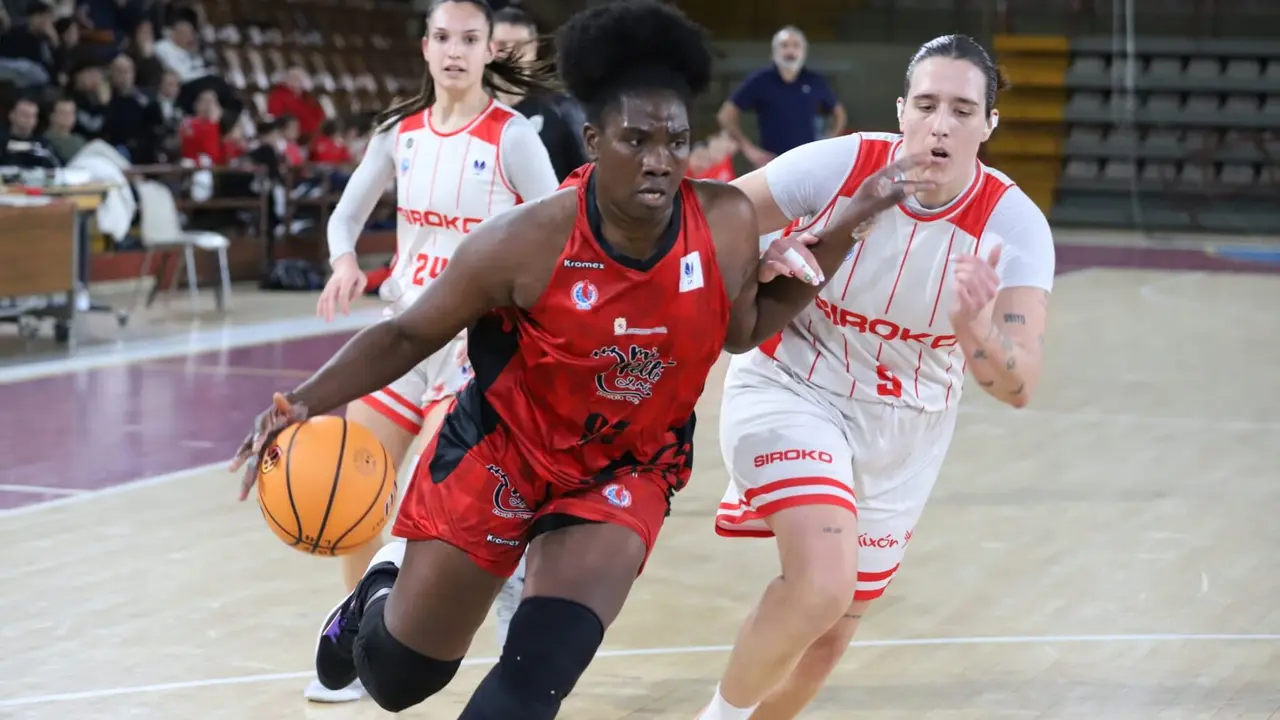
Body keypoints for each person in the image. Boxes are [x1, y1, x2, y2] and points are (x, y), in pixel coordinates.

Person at [229, 1, 931, 716]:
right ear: (594, 140)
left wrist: (850, 221)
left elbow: (744, 327)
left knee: (533, 685)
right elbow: (407, 335)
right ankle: (373, 595)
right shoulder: (527, 239)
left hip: (627, 470)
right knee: (400, 679)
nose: (660, 160)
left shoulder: (724, 221)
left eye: (676, 141)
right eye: (637, 139)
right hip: (504, 450)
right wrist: (302, 401)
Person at [699, 34, 1057, 720]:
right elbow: (708, 220)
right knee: (821, 584)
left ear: (989, 124)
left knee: (829, 637)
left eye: (962, 110)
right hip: (792, 384)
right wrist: (757, 260)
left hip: (907, 429)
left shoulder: (1014, 227)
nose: (941, 124)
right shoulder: (838, 165)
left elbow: (1020, 385)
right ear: (901, 110)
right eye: (926, 104)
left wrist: (976, 331)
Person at [299, 0, 562, 704]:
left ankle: (412, 617)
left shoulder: (512, 138)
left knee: (422, 502)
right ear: (425, 47)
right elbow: (346, 215)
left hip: (474, 348)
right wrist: (344, 260)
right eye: (443, 37)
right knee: (354, 494)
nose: (454, 50)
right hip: (402, 337)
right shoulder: (399, 131)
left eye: (469, 39)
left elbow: (559, 230)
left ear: (488, 50)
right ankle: (358, 640)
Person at [716, 25, 845, 169]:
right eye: (784, 45)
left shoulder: (815, 81)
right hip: (771, 163)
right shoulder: (760, 80)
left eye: (796, 45)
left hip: (808, 161)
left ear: (803, 51)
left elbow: (839, 114)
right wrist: (748, 148)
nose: (790, 51)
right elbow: (725, 114)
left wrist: (827, 143)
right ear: (774, 51)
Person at [489, 6, 587, 182]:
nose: (511, 55)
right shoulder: (469, 111)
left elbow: (589, 176)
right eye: (501, 46)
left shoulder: (562, 110)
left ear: (534, 48)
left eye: (519, 46)